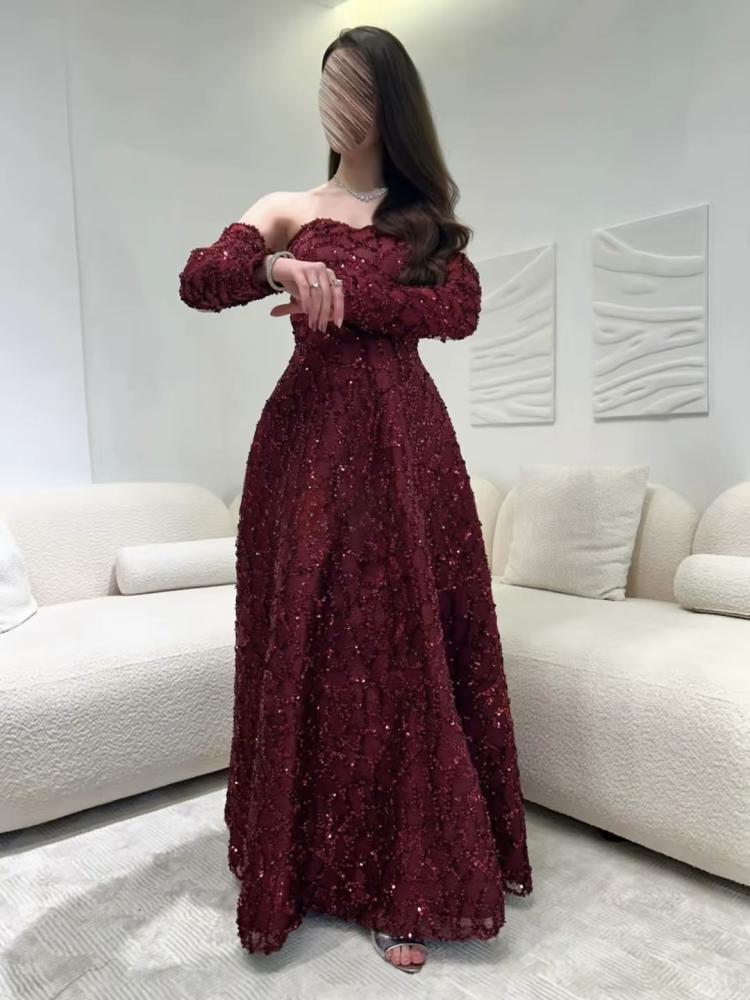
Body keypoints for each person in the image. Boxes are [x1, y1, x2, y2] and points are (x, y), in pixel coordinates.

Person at [178, 24, 533, 976]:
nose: (341, 105)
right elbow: (198, 278)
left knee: (398, 649)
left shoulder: (424, 220)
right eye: (330, 85)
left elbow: (457, 309)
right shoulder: (288, 207)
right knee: (311, 643)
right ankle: (303, 867)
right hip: (303, 450)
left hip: (406, 452)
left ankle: (401, 880)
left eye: (360, 89)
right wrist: (274, 267)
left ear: (391, 105)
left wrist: (350, 295)